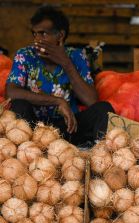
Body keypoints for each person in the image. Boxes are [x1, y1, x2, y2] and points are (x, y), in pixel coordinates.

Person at [6, 5, 114, 147]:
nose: (37, 40)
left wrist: (66, 63)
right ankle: (28, 154)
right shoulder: (25, 55)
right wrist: (57, 101)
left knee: (103, 109)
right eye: (35, 34)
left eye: (43, 33)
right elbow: (11, 91)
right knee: (19, 105)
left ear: (60, 36)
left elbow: (91, 100)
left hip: (68, 128)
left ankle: (100, 157)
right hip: (32, 132)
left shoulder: (76, 56)